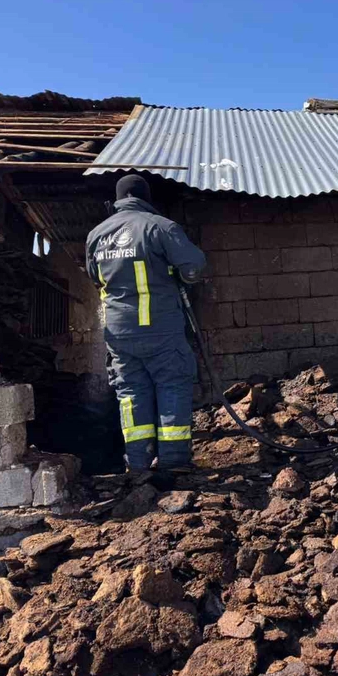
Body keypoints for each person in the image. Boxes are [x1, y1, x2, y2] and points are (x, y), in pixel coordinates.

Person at [86, 174, 207, 473]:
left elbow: (95, 276)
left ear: (118, 200)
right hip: (159, 328)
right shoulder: (159, 226)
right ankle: (173, 460)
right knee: (172, 384)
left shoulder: (96, 235)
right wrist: (178, 275)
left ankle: (138, 462)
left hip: (118, 333)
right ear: (145, 198)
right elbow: (194, 266)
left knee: (130, 393)